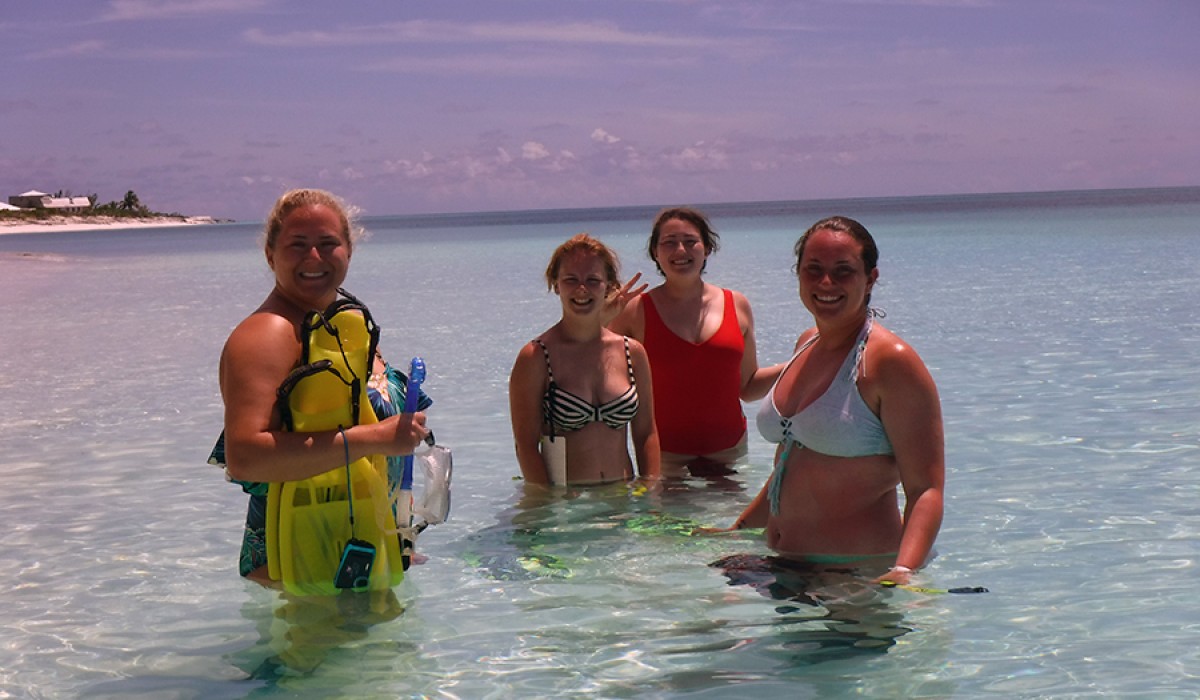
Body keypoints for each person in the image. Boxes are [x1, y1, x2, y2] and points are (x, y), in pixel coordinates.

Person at [217, 188, 430, 585]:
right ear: (270, 254)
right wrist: (374, 439)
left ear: (349, 251)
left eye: (327, 244)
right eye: (297, 245)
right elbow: (244, 456)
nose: (313, 257)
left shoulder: (340, 325)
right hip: (299, 563)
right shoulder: (268, 334)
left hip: (351, 550)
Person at [727, 216, 944, 585]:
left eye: (843, 271)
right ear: (798, 274)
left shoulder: (889, 361)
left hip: (856, 576)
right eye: (814, 269)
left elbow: (926, 489)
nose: (826, 282)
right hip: (782, 563)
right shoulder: (807, 343)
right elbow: (791, 460)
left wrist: (904, 572)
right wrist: (738, 529)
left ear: (870, 278)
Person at [608, 207, 781, 473]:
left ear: (707, 248)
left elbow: (747, 388)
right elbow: (592, 364)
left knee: (734, 517)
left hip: (730, 451)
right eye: (669, 243)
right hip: (664, 456)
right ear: (655, 252)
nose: (680, 251)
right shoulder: (636, 311)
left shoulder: (737, 304)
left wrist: (799, 361)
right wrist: (601, 318)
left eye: (691, 242)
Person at [509, 233, 662, 486]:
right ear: (556, 284)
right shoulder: (536, 356)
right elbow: (525, 446)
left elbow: (646, 433)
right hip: (565, 503)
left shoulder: (631, 352)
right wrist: (548, 508)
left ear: (609, 286)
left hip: (622, 498)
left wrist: (650, 493)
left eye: (593, 280)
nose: (582, 289)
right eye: (571, 279)